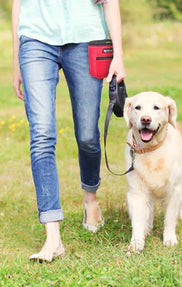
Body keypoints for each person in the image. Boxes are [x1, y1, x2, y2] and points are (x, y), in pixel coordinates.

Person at [12, 0, 126, 262]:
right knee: (41, 135)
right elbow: (17, 4)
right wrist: (16, 60)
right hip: (35, 39)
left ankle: (90, 198)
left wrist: (118, 55)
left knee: (88, 135)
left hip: (87, 38)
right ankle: (53, 236)